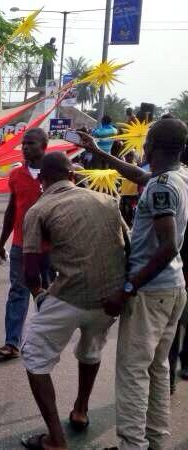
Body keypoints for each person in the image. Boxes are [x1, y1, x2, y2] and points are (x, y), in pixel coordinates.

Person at [76, 119, 188, 450]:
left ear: (151, 144)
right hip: (173, 289)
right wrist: (97, 152)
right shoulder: (177, 177)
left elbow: (168, 246)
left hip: (150, 292)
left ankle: (131, 445)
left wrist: (128, 288)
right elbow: (139, 176)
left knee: (133, 372)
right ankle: (154, 441)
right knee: (156, 368)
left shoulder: (162, 186)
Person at [19, 152, 128, 450]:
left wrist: (39, 295)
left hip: (68, 296)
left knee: (35, 357)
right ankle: (80, 411)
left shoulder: (39, 209)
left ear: (42, 181)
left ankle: (56, 439)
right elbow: (128, 248)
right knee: (91, 351)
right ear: (73, 175)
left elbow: (30, 270)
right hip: (110, 300)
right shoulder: (107, 201)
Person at [0, 128, 51, 359]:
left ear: (44, 146)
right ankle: (12, 343)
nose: (25, 147)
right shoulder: (16, 175)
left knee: (47, 294)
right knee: (18, 291)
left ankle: (45, 344)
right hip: (20, 245)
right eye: (23, 144)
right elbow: (11, 210)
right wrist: (1, 243)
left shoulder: (55, 172)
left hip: (50, 247)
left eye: (31, 143)